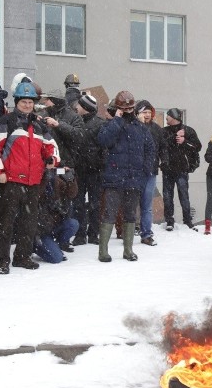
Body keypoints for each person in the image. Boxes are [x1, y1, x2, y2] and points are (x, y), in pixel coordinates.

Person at [0, 80, 60, 275]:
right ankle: (3, 261)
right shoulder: (5, 122)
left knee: (29, 222)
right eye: (23, 102)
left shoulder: (39, 125)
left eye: (30, 102)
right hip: (11, 181)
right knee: (6, 222)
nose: (27, 105)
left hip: (33, 182)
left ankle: (22, 257)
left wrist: (53, 158)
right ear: (17, 101)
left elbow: (52, 146)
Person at [96, 90, 154, 262]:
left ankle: (128, 250)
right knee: (109, 213)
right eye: (124, 108)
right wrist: (117, 120)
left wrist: (145, 170)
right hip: (114, 178)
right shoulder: (111, 125)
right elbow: (103, 141)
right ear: (118, 108)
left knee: (130, 215)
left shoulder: (141, 129)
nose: (128, 111)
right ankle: (103, 252)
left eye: (130, 108)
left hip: (134, 178)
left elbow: (150, 150)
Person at [71, 93, 105, 246]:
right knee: (78, 203)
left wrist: (101, 165)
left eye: (79, 104)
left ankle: (92, 234)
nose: (76, 107)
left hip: (94, 170)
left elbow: (104, 148)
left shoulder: (99, 123)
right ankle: (80, 234)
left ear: (85, 108)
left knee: (94, 203)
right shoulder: (75, 120)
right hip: (79, 169)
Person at [161, 108, 202, 231]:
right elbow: (161, 146)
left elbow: (198, 147)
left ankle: (187, 221)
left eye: (167, 116)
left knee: (184, 196)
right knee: (167, 197)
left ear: (173, 117)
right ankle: (169, 221)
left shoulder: (188, 131)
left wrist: (185, 141)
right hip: (167, 169)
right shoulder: (164, 131)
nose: (166, 118)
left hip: (182, 169)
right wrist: (174, 137)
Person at [135, 100, 166, 246]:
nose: (147, 115)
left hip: (150, 172)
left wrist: (163, 160)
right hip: (134, 171)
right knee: (132, 204)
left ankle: (146, 233)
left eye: (149, 112)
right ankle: (127, 232)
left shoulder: (157, 129)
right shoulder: (132, 127)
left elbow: (163, 148)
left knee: (146, 205)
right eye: (143, 112)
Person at [34, 168, 80, 263]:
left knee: (73, 224)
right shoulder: (38, 178)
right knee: (56, 258)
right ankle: (34, 246)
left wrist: (71, 180)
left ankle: (56, 245)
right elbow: (36, 196)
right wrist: (45, 179)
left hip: (54, 224)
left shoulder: (57, 180)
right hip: (41, 229)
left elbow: (72, 194)